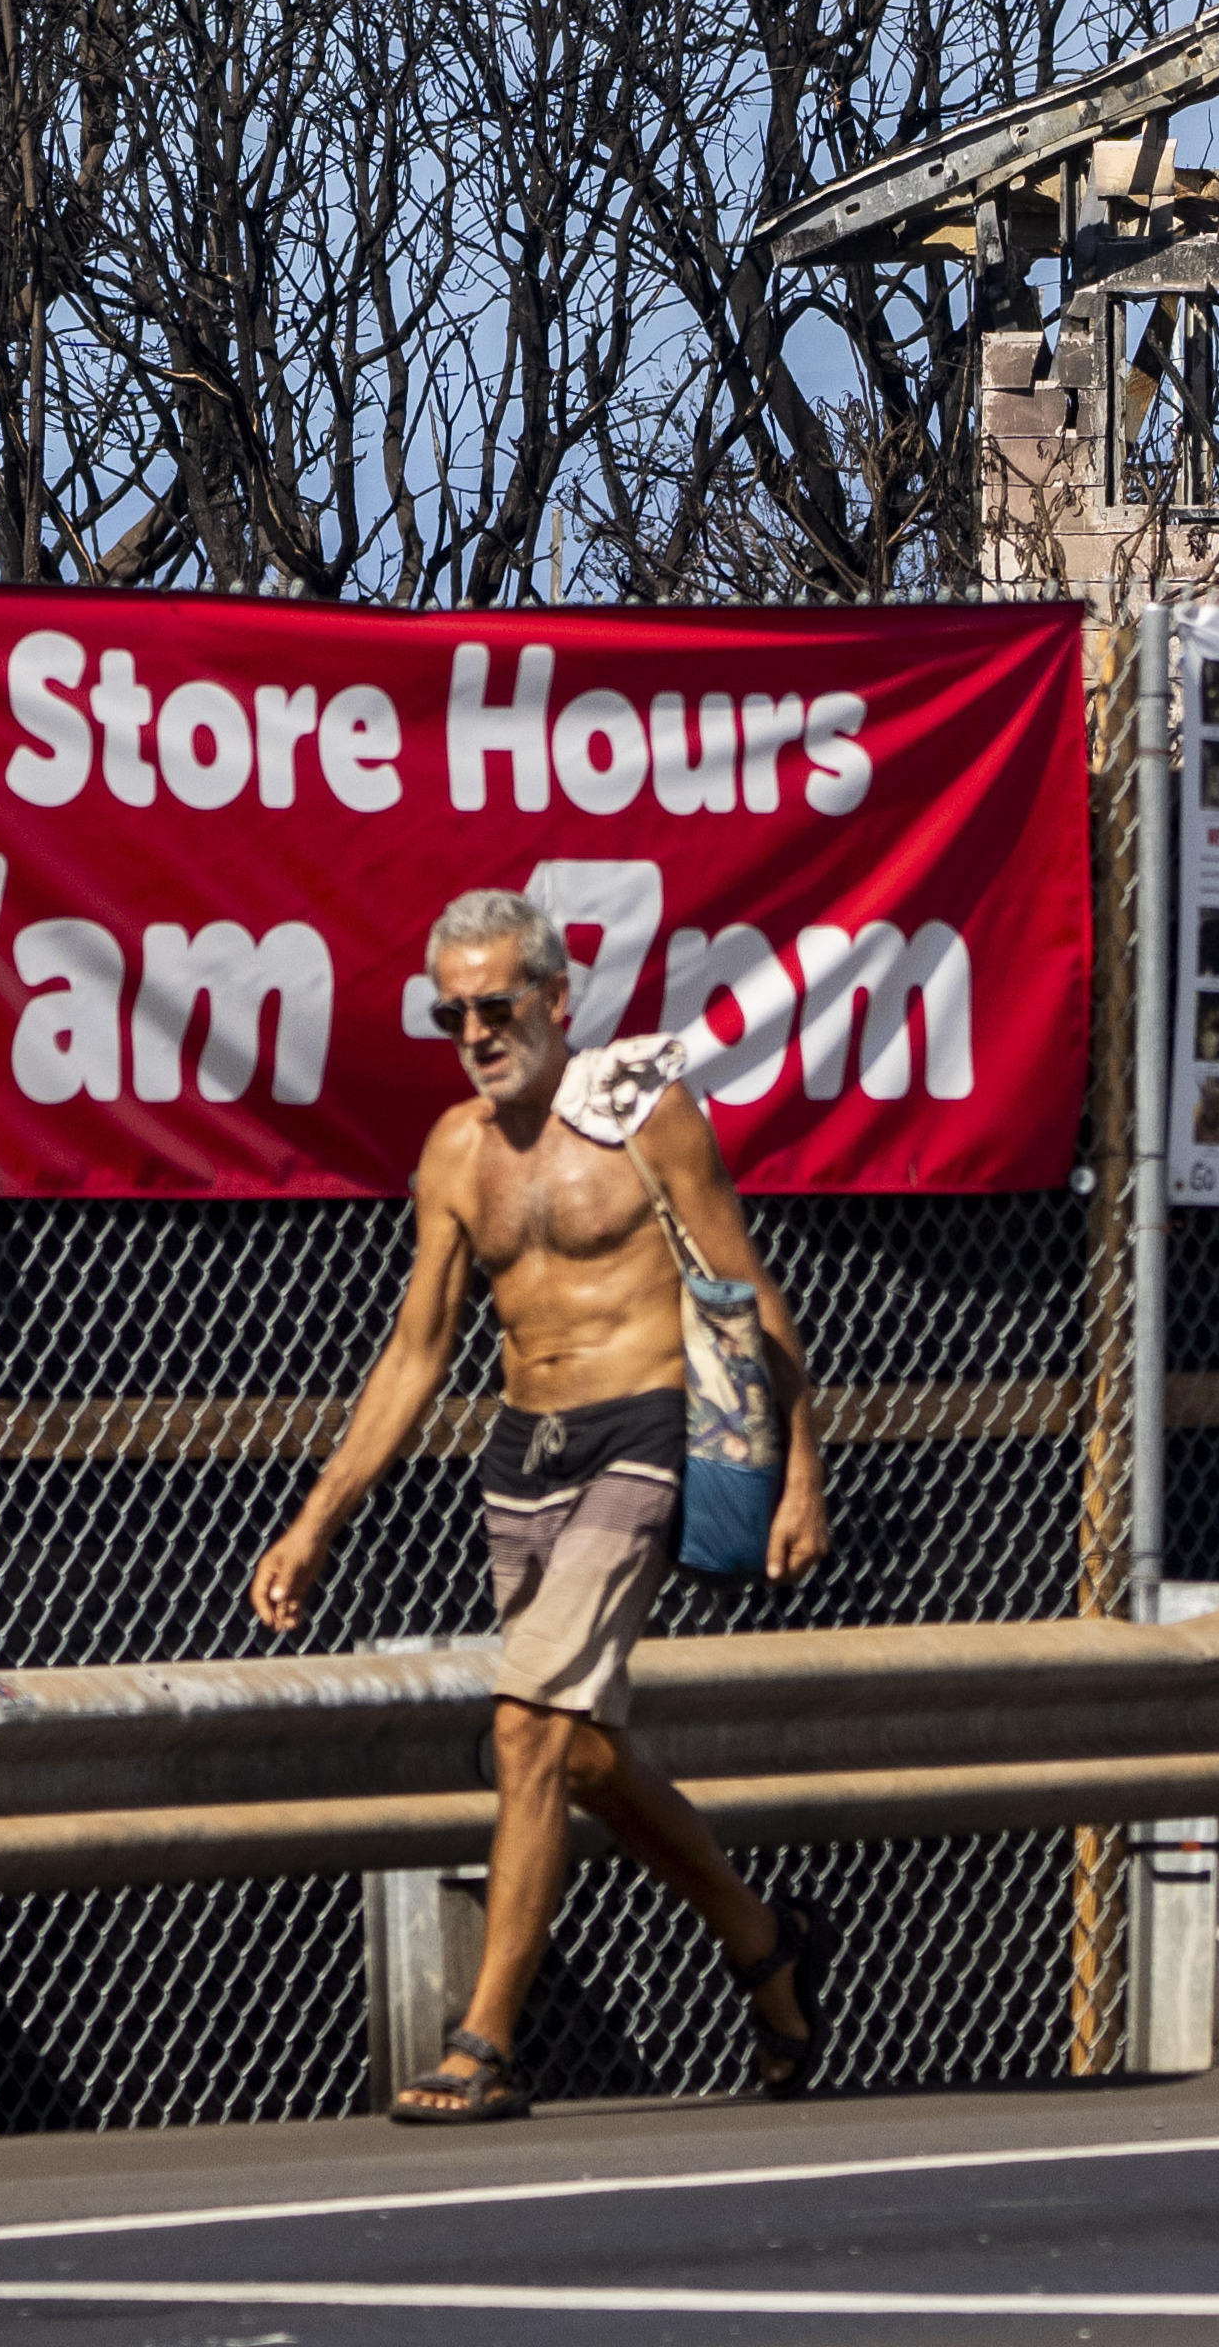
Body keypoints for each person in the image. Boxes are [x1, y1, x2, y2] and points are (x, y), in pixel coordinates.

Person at [250, 887, 830, 2124]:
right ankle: (763, 1941)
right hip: (523, 1454)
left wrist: (799, 1469)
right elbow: (415, 1356)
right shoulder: (455, 1155)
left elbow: (742, 1291)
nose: (473, 1030)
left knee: (522, 1729)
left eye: (494, 1004)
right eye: (449, 1012)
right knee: (577, 1749)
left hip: (645, 1434)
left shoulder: (645, 1120)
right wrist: (318, 1517)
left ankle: (485, 2044)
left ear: (557, 1003)